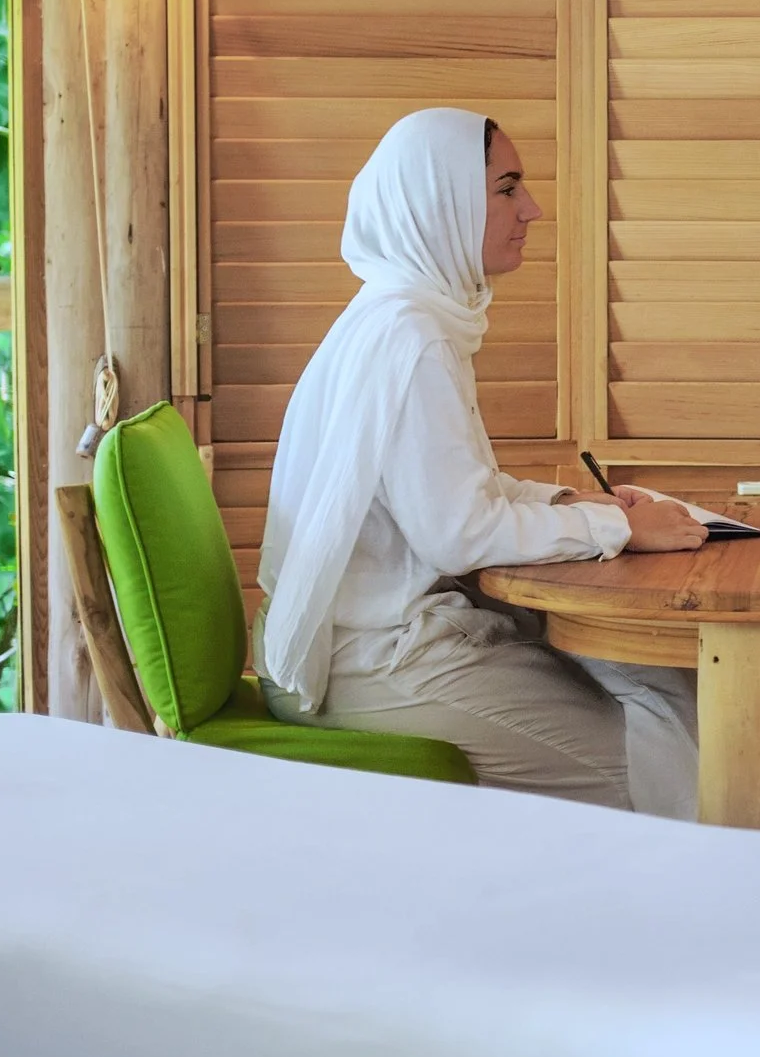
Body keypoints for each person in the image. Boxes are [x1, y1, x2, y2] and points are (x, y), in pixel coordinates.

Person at [253, 108, 708, 815]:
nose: (532, 208)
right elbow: (456, 533)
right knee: (663, 740)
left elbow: (458, 493)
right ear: (442, 203)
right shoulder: (411, 338)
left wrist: (578, 507)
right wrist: (615, 531)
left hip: (384, 637)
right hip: (370, 661)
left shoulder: (402, 316)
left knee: (664, 689)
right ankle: (694, 903)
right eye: (507, 188)